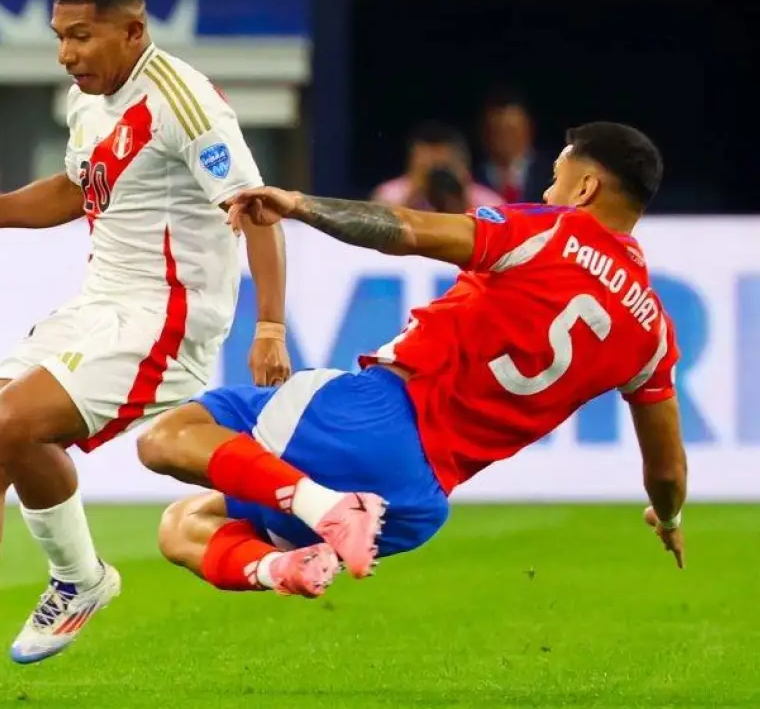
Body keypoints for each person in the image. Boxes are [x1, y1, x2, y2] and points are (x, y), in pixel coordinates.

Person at [0, 0, 291, 692]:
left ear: (133, 30)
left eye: (82, 36)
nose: (67, 54)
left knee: (16, 423)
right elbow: (72, 191)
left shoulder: (186, 103)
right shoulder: (88, 104)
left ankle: (80, 576)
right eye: (61, 37)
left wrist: (271, 325)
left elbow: (256, 207)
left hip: (167, 318)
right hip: (98, 305)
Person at [136, 121, 688, 599]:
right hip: (415, 500)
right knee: (184, 524)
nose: (547, 193)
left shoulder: (554, 231)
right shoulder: (653, 334)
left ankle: (324, 505)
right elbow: (666, 470)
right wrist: (667, 517)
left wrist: (301, 204)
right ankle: (280, 566)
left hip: (374, 417)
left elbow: (409, 231)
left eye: (557, 180)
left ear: (586, 186)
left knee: (166, 438)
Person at [371, 121, 503, 212]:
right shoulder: (388, 196)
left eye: (443, 166)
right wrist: (413, 195)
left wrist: (462, 196)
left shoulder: (489, 203)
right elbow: (382, 233)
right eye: (427, 166)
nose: (435, 174)